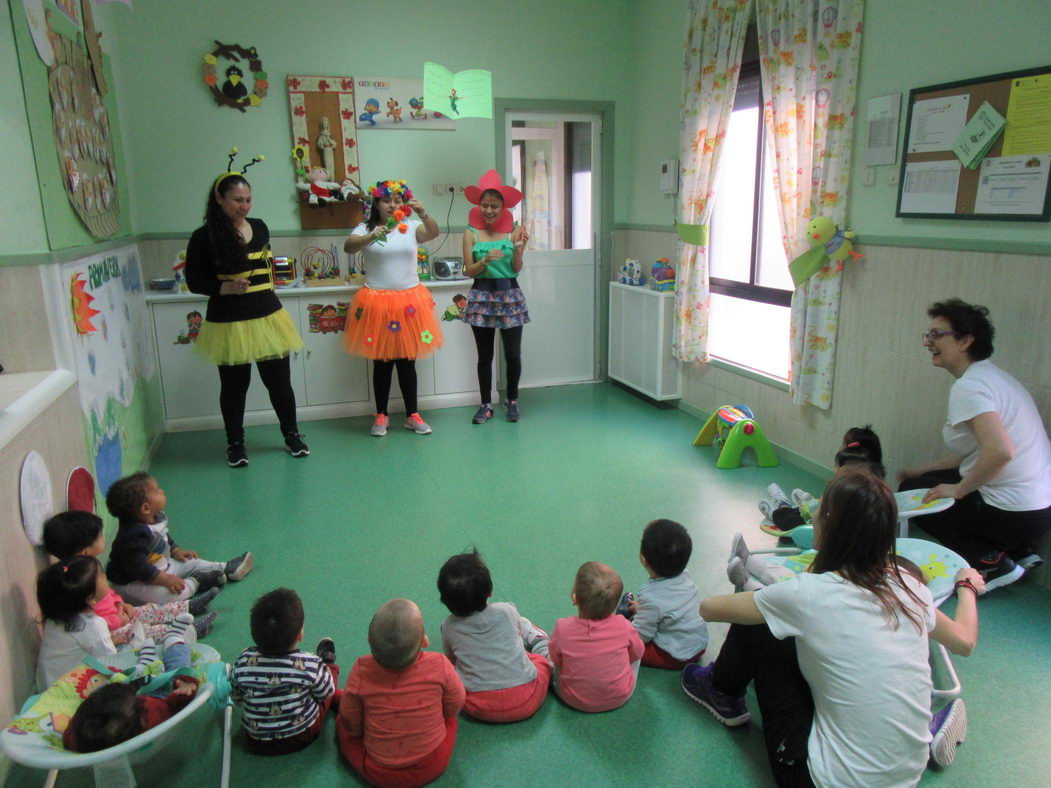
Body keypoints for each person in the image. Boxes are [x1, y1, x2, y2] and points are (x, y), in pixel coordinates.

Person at [681, 469, 984, 786]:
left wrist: (766, 597)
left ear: (830, 527)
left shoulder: (808, 594)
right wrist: (968, 587)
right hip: (907, 775)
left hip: (819, 779)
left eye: (819, 510)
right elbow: (964, 641)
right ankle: (926, 729)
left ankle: (720, 691)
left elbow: (709, 608)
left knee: (762, 616)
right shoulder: (910, 587)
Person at [899, 299, 1051, 589]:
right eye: (927, 334)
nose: (927, 342)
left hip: (1014, 512)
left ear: (966, 341)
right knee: (922, 482)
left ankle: (989, 562)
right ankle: (1018, 550)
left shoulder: (969, 387)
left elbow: (1000, 452)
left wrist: (958, 489)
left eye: (937, 334)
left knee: (917, 496)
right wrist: (920, 470)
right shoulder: (992, 377)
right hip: (1038, 509)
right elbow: (976, 451)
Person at [185, 155, 309, 467]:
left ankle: (292, 435)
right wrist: (221, 287)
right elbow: (193, 280)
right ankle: (236, 444)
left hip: (268, 316)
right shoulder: (203, 236)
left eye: (249, 200)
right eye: (237, 200)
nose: (244, 206)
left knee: (280, 383)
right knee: (234, 387)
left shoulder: (260, 227)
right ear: (219, 199)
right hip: (229, 321)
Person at [342, 180, 443, 437]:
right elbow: (349, 246)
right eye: (387, 200)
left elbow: (433, 233)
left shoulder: (409, 227)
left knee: (407, 363)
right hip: (377, 303)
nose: (393, 205)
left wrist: (424, 213)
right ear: (376, 203)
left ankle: (412, 415)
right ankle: (381, 415)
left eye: (398, 200)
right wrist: (370, 236)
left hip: (409, 303)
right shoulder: (365, 227)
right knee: (382, 363)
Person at [337, 598, 465, 787]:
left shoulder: (361, 670)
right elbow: (457, 702)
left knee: (342, 725)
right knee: (451, 719)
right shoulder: (440, 664)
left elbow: (351, 717)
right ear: (425, 641)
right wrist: (444, 716)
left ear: (369, 642)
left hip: (380, 772)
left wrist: (355, 732)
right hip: (433, 762)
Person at [42, 510, 219, 642]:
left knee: (149, 610)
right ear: (85, 551)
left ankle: (187, 608)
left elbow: (107, 595)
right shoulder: (75, 581)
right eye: (99, 536)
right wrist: (117, 620)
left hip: (118, 611)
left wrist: (120, 603)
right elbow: (92, 621)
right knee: (145, 631)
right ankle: (188, 631)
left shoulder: (85, 568)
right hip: (112, 628)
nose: (103, 537)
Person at [437, 550, 551, 722]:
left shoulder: (448, 627)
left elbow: (452, 659)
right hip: (529, 698)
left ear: (446, 602)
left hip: (479, 706)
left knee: (452, 671)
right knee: (541, 662)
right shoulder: (506, 610)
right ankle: (538, 640)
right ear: (489, 591)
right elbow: (516, 635)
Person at [105, 472, 253, 605]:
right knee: (167, 596)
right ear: (145, 508)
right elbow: (138, 568)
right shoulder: (134, 535)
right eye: (157, 491)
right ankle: (196, 582)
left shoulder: (155, 517)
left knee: (192, 562)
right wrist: (165, 579)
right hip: (134, 583)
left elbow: (163, 535)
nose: (162, 491)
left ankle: (225, 568)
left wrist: (176, 551)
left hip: (163, 567)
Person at [63, 616, 200, 752]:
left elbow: (70, 732)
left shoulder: (77, 740)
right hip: (161, 696)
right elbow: (173, 706)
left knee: (128, 681)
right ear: (142, 718)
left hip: (123, 706)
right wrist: (186, 690)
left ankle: (146, 663)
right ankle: (173, 639)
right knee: (179, 668)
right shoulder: (152, 713)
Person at [230, 588, 340, 755]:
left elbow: (236, 698)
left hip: (255, 741)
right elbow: (325, 693)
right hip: (302, 735)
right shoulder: (309, 663)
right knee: (327, 684)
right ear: (300, 635)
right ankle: (329, 664)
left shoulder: (243, 661)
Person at [461, 169, 530, 424]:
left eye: (494, 206)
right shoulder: (471, 232)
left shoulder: (515, 229)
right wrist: (484, 262)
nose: (489, 210)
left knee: (513, 354)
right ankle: (485, 405)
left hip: (509, 294)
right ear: (478, 206)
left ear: (503, 207)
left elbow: (516, 268)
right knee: (485, 356)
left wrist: (519, 250)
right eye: (485, 205)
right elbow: (469, 270)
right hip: (481, 295)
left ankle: (512, 400)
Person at [548, 562, 644, 713]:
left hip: (572, 698)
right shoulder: (624, 626)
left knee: (553, 659)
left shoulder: (562, 628)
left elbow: (556, 659)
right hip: (620, 697)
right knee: (636, 649)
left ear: (574, 598)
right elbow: (637, 653)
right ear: (614, 606)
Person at [760, 425, 885, 532]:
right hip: (841, 524)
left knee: (790, 520)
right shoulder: (876, 483)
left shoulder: (845, 488)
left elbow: (825, 516)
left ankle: (780, 508)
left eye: (843, 446)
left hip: (829, 530)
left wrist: (816, 509)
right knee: (807, 510)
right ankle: (805, 503)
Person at [620, 519, 708, 669]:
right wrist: (642, 609)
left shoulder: (651, 596)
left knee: (625, 647)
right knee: (650, 615)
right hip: (698, 645)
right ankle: (641, 615)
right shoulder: (685, 577)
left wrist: (625, 628)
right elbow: (670, 605)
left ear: (643, 559)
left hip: (674, 655)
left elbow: (642, 636)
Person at [36, 556, 118, 689]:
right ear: (90, 597)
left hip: (48, 683)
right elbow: (113, 664)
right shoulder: (93, 626)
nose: (105, 576)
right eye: (102, 576)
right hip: (67, 692)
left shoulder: (59, 613)